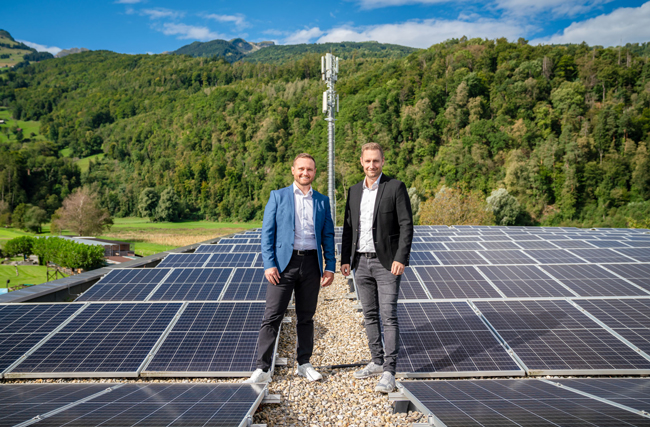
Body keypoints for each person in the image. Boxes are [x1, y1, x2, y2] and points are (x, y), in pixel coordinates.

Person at [245, 153, 336, 384]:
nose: (305, 173)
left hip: (312, 264)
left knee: (306, 317)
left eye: (310, 170)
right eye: (301, 169)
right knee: (272, 316)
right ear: (293, 170)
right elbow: (267, 233)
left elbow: (328, 235)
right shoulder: (278, 196)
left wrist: (330, 266)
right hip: (283, 266)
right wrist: (269, 264)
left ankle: (304, 364)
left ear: (315, 173)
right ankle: (262, 368)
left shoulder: (323, 201)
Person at [340, 142, 413, 393]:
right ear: (361, 161)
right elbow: (348, 227)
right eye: (367, 161)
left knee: (388, 316)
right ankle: (376, 360)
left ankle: (389, 372)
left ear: (383, 161)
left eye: (376, 161)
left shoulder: (395, 187)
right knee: (369, 315)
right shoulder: (353, 191)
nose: (372, 165)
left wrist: (401, 258)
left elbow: (406, 226)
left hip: (386, 264)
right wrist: (345, 259)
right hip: (360, 262)